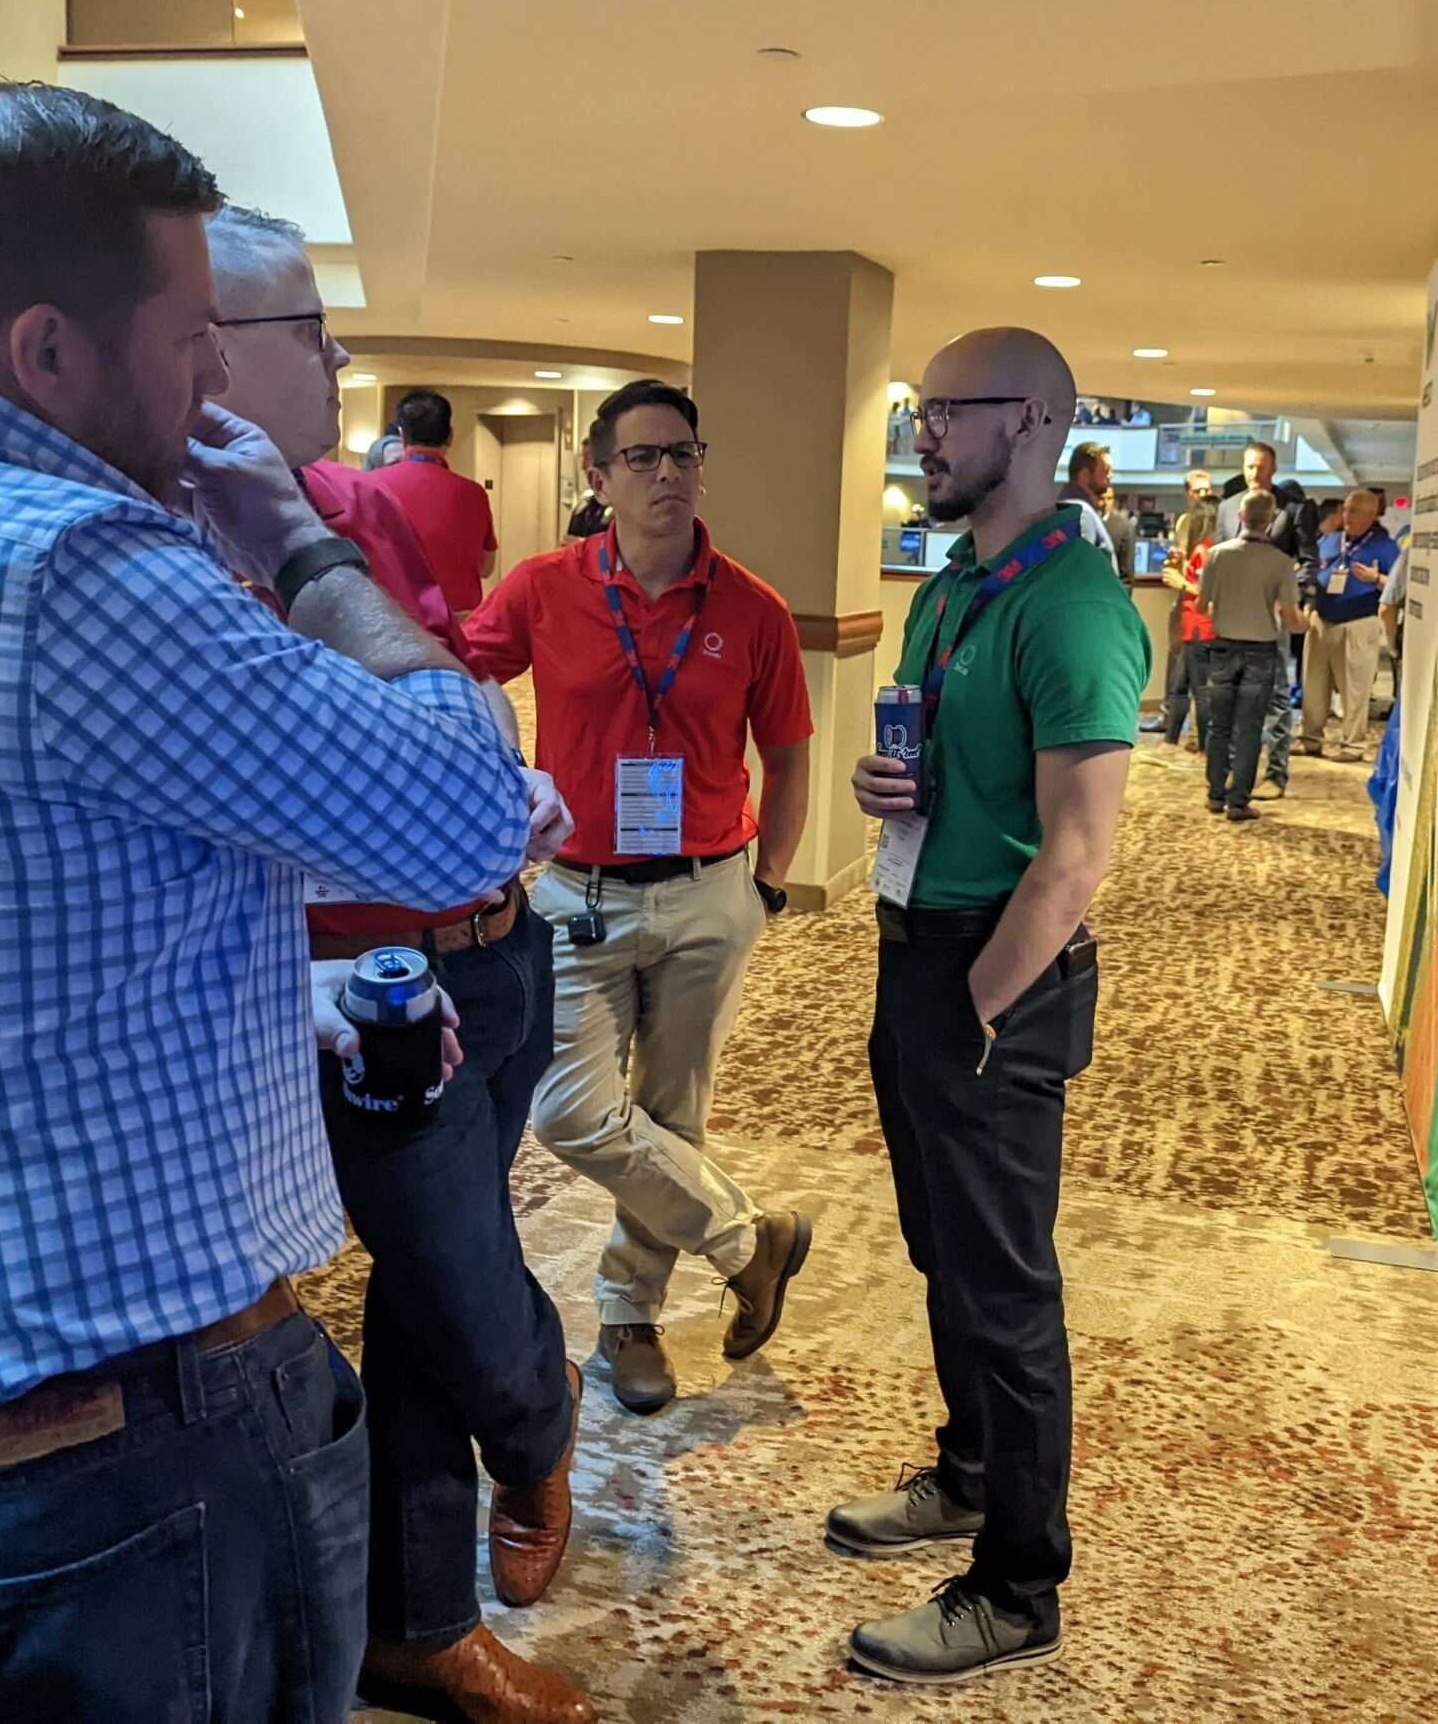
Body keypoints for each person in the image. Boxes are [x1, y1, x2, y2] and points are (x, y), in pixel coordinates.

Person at [0, 82, 534, 1720]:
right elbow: (467, 820)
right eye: (193, 336)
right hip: (107, 1475)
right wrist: (300, 546)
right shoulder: (74, 567)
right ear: (47, 350)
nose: (219, 384)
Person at [205, 208, 596, 1724]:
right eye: (308, 329)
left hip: (498, 947)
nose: (340, 355)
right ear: (205, 349)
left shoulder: (349, 507)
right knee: (461, 1286)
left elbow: (453, 690)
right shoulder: (154, 556)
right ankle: (541, 1413)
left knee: (430, 1297)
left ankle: (420, 1624)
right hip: (362, 995)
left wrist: (506, 782)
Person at [838, 327, 1149, 1685]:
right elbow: (946, 764)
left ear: (1027, 419)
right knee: (942, 1250)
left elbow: (1076, 857)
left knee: (1006, 1290)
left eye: (942, 411)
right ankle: (969, 1472)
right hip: (917, 947)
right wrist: (892, 791)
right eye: (918, 411)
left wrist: (976, 1007)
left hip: (994, 973)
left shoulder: (1071, 603)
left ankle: (1018, 1585)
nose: (921, 434)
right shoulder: (954, 584)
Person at [464, 379, 816, 1419]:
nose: (668, 474)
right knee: (569, 1109)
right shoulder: (544, 586)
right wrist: (500, 766)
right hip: (579, 891)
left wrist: (767, 884)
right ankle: (748, 1239)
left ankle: (629, 1316)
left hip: (710, 891)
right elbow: (456, 671)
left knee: (672, 1113)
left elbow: (789, 756)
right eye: (644, 457)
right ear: (598, 475)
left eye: (684, 454)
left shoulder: (750, 607)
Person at [1194, 489, 1306, 819]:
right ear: (1271, 520)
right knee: (1250, 727)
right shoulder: (1281, 563)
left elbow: (1201, 605)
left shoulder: (1217, 555)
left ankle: (1215, 794)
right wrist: (1306, 624)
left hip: (1222, 646)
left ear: (1240, 517)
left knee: (1219, 725)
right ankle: (1239, 801)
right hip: (1261, 651)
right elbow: (1290, 616)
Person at [1298, 486, 1401, 761]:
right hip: (1321, 620)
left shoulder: (1386, 547)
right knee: (1314, 686)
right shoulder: (1330, 540)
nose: (1347, 516)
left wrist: (1377, 579)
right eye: (1345, 510)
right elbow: (1313, 571)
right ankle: (1310, 738)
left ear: (1371, 514)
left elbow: (1399, 588)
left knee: (1355, 689)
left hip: (1358, 622)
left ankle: (1352, 744)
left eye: (1354, 511)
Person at [382, 387, 500, 617]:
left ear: (402, 436)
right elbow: (486, 568)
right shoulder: (474, 494)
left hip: (396, 622)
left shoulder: (373, 487)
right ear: (450, 436)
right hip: (458, 624)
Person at [1155, 475, 1218, 745]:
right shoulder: (1200, 549)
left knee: (1199, 689)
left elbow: (1206, 592)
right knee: (1180, 685)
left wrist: (1181, 582)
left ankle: (1202, 744)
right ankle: (1171, 739)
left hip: (1200, 626)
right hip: (1192, 622)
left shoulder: (1205, 551)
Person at [1064, 438, 1136, 574]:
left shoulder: (1077, 507)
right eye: (1106, 470)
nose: (1111, 476)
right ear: (1085, 475)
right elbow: (1082, 572)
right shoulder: (1081, 512)